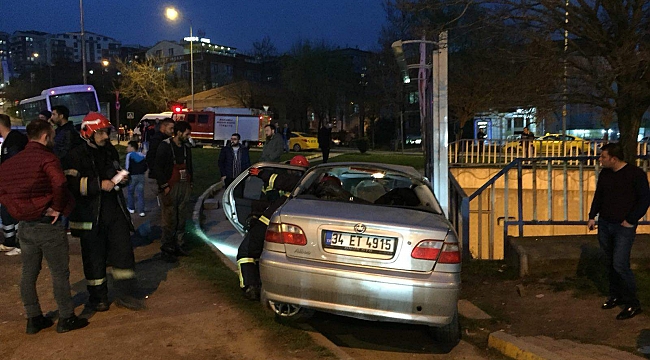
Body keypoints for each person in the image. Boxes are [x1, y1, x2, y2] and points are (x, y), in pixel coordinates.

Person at [0, 119, 89, 334]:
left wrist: (19, 211)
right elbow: (59, 183)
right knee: (59, 273)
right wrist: (57, 208)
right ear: (45, 136)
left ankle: (33, 318)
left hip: (25, 226)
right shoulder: (47, 158)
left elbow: (3, 191)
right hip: (48, 225)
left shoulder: (10, 163)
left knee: (28, 274)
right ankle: (66, 317)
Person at [63, 112, 146, 312]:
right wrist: (97, 185)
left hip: (113, 210)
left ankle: (125, 293)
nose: (105, 136)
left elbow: (112, 170)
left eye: (106, 132)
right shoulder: (74, 155)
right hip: (89, 215)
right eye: (100, 133)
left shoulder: (108, 150)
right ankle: (98, 298)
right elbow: (71, 184)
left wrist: (119, 179)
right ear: (87, 133)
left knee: (123, 251)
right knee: (94, 258)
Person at [588, 143, 650, 320]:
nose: (600, 160)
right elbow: (599, 195)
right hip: (606, 224)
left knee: (620, 264)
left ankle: (632, 303)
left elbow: (645, 200)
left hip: (623, 227)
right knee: (610, 263)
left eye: (603, 157)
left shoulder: (635, 174)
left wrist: (631, 220)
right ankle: (616, 295)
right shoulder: (606, 174)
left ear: (614, 159)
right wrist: (593, 216)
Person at [236, 155, 310, 300]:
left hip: (269, 222)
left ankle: (251, 286)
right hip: (278, 223)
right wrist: (254, 215)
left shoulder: (296, 183)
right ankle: (260, 284)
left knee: (246, 252)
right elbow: (265, 200)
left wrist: (261, 173)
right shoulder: (308, 186)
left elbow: (278, 182)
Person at [154, 121, 193, 263]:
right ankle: (167, 248)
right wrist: (164, 186)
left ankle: (179, 244)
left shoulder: (186, 147)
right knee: (169, 218)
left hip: (184, 186)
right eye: (187, 134)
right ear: (178, 132)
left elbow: (189, 165)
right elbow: (157, 167)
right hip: (170, 186)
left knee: (182, 217)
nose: (189, 136)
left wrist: (191, 183)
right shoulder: (165, 146)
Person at [0, 114, 28, 255]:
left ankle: (18, 242)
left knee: (13, 211)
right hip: (12, 184)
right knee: (6, 210)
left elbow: (14, 164)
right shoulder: (13, 139)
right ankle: (11, 241)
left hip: (15, 184)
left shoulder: (13, 141)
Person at [146, 118, 175, 196]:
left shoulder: (165, 139)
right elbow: (151, 157)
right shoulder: (158, 140)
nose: (172, 131)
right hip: (158, 177)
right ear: (163, 127)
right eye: (171, 128)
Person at [125, 141, 147, 217]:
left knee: (130, 192)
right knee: (140, 193)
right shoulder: (142, 155)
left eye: (128, 147)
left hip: (132, 176)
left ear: (132, 147)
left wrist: (127, 174)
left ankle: (131, 208)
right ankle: (141, 211)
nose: (127, 148)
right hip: (141, 176)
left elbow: (127, 166)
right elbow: (145, 166)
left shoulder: (129, 155)